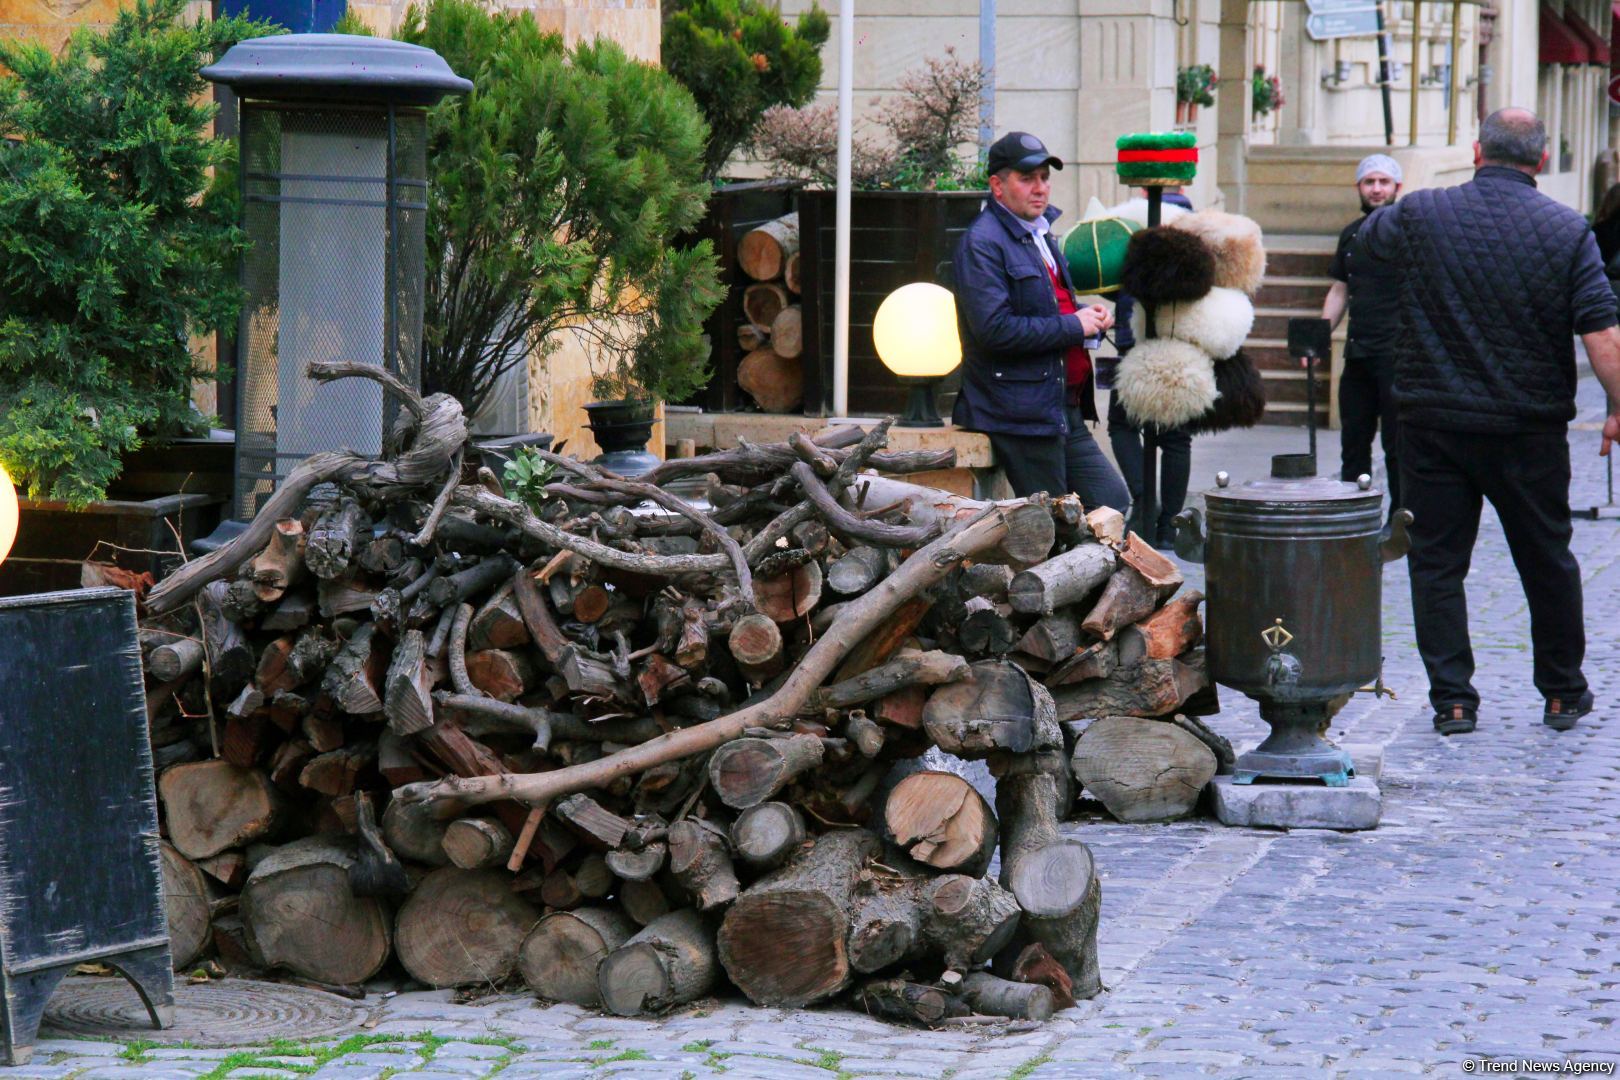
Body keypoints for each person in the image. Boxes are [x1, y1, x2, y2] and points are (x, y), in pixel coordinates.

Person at [1359, 108, 1620, 736]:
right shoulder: (1567, 230)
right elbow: (1600, 330)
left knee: (1437, 564)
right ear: (1541, 160)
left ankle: (1453, 700)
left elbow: (1369, 245)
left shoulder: (1422, 213)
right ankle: (1562, 693)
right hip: (1527, 429)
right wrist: (1616, 407)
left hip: (1432, 423)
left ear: (1477, 150)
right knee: (1547, 559)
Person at [952, 131, 1131, 510]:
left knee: (1110, 502)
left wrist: (1088, 317)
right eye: (1027, 178)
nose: (1040, 188)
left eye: (1045, 178)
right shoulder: (982, 243)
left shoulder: (1039, 232)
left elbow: (1046, 304)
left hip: (1059, 406)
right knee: (1055, 526)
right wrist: (1073, 325)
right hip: (1020, 415)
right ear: (997, 186)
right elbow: (994, 329)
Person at [1109, 186, 1195, 546]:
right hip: (1181, 342)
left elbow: (1113, 279)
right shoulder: (1195, 228)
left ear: (1142, 190)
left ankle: (1145, 500)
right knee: (1176, 438)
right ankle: (1170, 526)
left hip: (1135, 337)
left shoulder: (1129, 224)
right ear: (1184, 187)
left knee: (1123, 424)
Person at [1322, 154, 1404, 518]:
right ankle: (1350, 515)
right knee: (1353, 440)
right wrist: (1320, 335)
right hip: (1358, 353)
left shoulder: (1410, 231)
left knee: (1399, 444)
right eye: (1369, 181)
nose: (1376, 188)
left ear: (1397, 188)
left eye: (1383, 181)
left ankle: (1401, 516)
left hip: (1398, 354)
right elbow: (1340, 289)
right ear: (1359, 187)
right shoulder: (1351, 234)